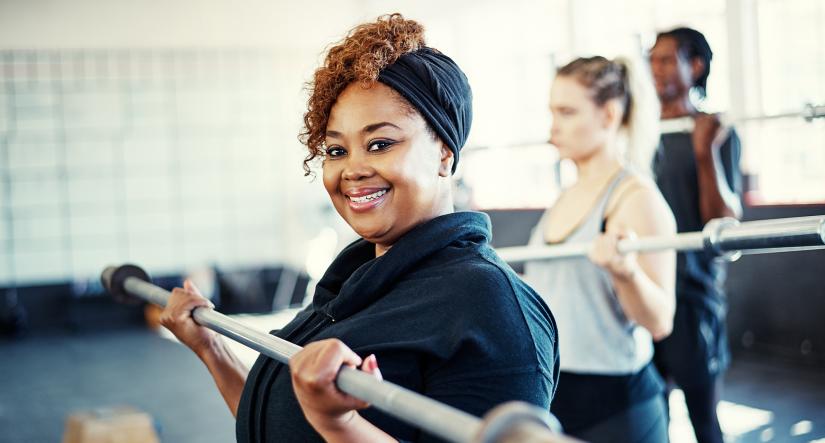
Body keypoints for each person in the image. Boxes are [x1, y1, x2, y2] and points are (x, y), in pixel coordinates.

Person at [160, 13, 559, 443]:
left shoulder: (493, 308)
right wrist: (211, 348)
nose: (353, 169)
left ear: (444, 153)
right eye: (336, 149)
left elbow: (325, 425)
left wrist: (340, 423)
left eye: (381, 143)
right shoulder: (354, 284)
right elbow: (278, 426)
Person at [523, 55, 676, 443]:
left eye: (567, 112)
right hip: (558, 395)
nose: (553, 125)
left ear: (609, 115)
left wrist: (627, 272)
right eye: (552, 111)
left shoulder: (635, 197)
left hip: (617, 406)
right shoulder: (567, 195)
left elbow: (660, 320)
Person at [649, 27, 742, 443]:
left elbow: (724, 227)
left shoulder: (716, 133)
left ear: (696, 66)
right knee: (653, 418)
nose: (656, 69)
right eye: (652, 59)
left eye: (667, 59)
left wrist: (705, 153)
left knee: (704, 421)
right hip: (645, 293)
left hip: (693, 296)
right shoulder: (638, 136)